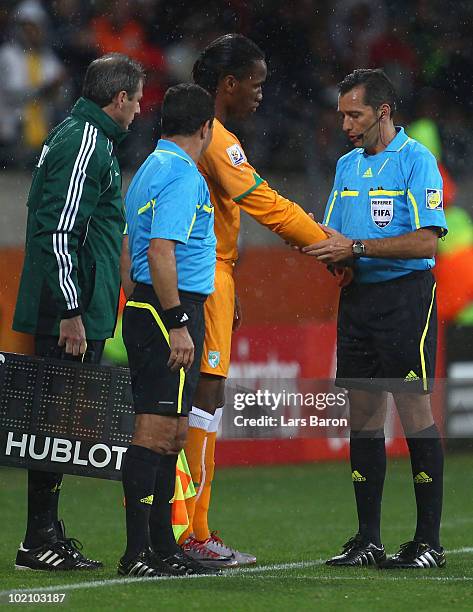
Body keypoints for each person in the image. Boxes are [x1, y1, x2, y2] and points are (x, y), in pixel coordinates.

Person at [179, 33, 328, 568]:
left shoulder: (194, 135)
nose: (261, 94)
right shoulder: (217, 139)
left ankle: (185, 527)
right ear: (228, 84)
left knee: (194, 400)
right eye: (256, 84)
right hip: (207, 274)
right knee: (204, 399)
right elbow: (264, 201)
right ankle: (191, 531)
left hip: (209, 272)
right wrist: (323, 243)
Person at [302, 68, 448, 569]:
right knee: (362, 417)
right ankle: (368, 540)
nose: (345, 123)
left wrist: (358, 247)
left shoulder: (417, 161)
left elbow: (429, 240)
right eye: (342, 113)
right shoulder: (345, 167)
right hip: (360, 300)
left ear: (382, 112)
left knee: (413, 413)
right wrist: (336, 259)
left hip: (406, 298)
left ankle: (428, 542)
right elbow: (334, 234)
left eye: (355, 114)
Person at [12, 52, 144, 570]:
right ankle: (37, 538)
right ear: (118, 99)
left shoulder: (81, 138)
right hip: (67, 311)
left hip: (72, 306)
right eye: (135, 100)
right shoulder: (86, 143)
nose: (138, 110)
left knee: (57, 427)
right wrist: (72, 311)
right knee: (53, 426)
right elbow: (58, 231)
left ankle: (42, 532)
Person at [118, 83, 219, 577]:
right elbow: (161, 250)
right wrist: (176, 320)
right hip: (169, 311)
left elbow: (126, 245)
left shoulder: (146, 170)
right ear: (206, 127)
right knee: (155, 431)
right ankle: (139, 553)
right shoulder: (182, 175)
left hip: (150, 305)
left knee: (173, 433)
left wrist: (135, 302)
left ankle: (161, 547)